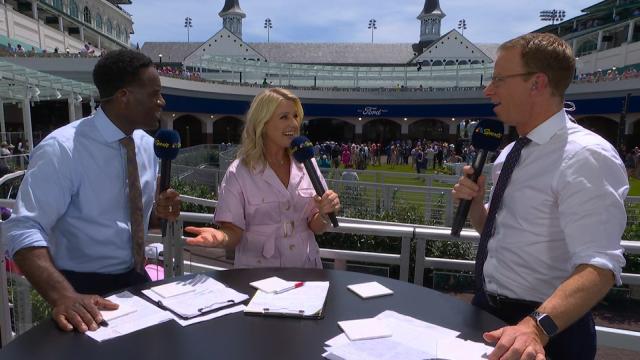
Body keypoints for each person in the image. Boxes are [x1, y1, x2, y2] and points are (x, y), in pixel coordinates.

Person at [452, 33, 627, 360]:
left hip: (548, 330)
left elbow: (600, 267)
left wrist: (535, 327)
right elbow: (500, 232)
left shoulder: (586, 155)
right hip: (489, 314)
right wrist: (476, 207)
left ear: (537, 83)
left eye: (499, 80)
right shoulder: (507, 154)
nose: (488, 90)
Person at [4, 49, 181, 333]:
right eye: (154, 93)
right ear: (124, 96)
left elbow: (134, 215)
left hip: (135, 278)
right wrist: (63, 296)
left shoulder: (147, 147)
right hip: (77, 288)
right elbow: (22, 229)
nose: (162, 101)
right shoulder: (62, 149)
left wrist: (163, 210)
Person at [184, 88, 340, 268]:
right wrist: (220, 237)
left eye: (295, 116)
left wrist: (324, 213)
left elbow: (316, 226)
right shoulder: (239, 172)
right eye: (284, 117)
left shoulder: (307, 163)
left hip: (305, 272)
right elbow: (233, 231)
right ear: (262, 124)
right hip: (258, 277)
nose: (294, 124)